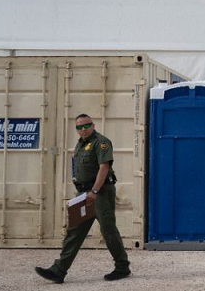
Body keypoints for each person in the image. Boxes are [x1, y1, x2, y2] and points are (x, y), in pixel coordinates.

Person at [35, 114, 131, 283]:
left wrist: (94, 190)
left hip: (99, 193)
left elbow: (104, 167)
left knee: (108, 230)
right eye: (79, 127)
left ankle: (122, 267)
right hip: (83, 194)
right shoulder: (80, 144)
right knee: (74, 231)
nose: (83, 129)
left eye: (86, 125)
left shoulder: (101, 142)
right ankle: (58, 271)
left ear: (92, 125)